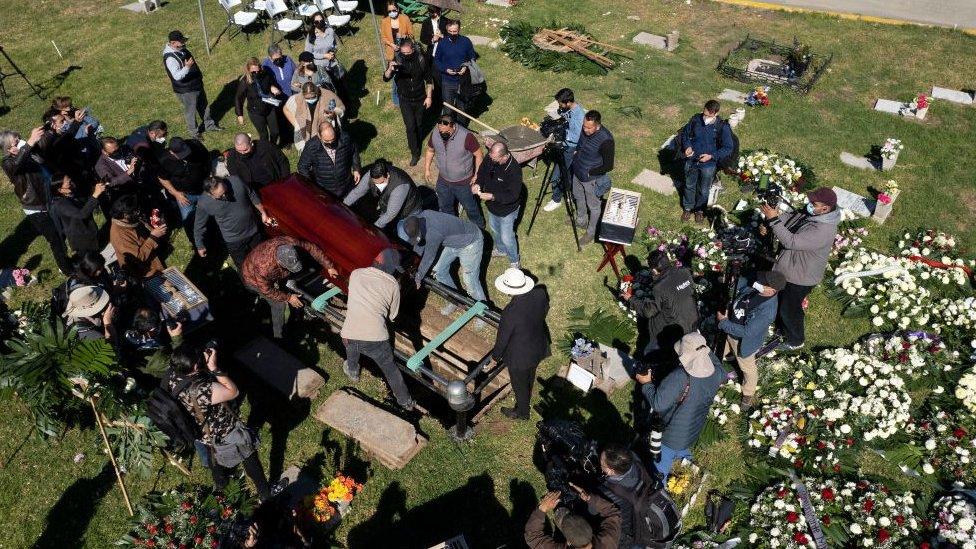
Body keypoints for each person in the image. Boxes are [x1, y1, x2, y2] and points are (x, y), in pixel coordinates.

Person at [165, 344, 273, 501]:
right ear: (195, 366)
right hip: (224, 431)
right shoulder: (200, 390)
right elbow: (233, 391)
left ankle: (222, 495)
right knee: (249, 455)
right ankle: (265, 494)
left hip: (201, 433)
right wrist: (214, 368)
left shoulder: (172, 375)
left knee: (214, 460)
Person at [759, 187, 841, 351]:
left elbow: (791, 242)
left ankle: (796, 340)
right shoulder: (814, 213)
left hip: (801, 278)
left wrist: (774, 221)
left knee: (789, 309)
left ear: (825, 208)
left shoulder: (823, 230)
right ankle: (782, 329)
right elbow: (791, 218)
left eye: (814, 203)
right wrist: (775, 218)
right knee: (784, 303)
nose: (809, 205)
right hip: (790, 269)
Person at [635, 332, 724, 480]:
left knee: (659, 469)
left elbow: (658, 404)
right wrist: (702, 348)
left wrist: (646, 383)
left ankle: (660, 492)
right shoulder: (717, 373)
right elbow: (717, 363)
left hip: (670, 435)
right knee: (683, 451)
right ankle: (697, 479)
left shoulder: (680, 377)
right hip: (694, 429)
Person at [341, 248, 416, 410]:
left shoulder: (356, 273)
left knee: (351, 346)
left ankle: (353, 371)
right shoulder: (393, 284)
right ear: (390, 268)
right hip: (376, 339)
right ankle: (405, 401)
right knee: (390, 369)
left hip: (349, 334)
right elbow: (393, 315)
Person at [0, 128, 72, 273]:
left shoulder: (29, 154)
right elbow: (15, 168)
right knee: (55, 238)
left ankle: (66, 260)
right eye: (16, 141)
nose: (21, 142)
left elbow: (44, 157)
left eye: (20, 138)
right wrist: (29, 143)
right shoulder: (8, 162)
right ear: (9, 148)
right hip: (35, 207)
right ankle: (65, 269)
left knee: (62, 231)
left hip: (49, 198)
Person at [241, 236, 338, 339]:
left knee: (288, 288)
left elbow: (311, 248)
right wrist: (288, 298)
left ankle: (296, 317)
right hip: (253, 280)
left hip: (275, 272)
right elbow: (266, 290)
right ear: (280, 263)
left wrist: (329, 266)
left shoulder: (290, 243)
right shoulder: (263, 268)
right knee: (279, 305)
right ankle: (279, 336)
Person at [717, 271, 784, 409]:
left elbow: (747, 332)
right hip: (729, 332)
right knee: (714, 354)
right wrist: (732, 278)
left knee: (748, 369)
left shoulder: (767, 312)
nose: (757, 283)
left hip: (741, 342)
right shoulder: (757, 289)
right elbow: (744, 283)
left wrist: (723, 323)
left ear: (771, 290)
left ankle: (748, 393)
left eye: (762, 283)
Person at [398, 211, 487, 312]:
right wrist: (414, 263)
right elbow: (419, 246)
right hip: (453, 241)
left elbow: (429, 257)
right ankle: (455, 301)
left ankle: (482, 311)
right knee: (438, 271)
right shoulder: (420, 218)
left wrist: (418, 277)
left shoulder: (434, 233)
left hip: (471, 241)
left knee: (470, 281)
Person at [491, 268, 549, 420]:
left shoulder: (510, 312)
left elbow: (502, 339)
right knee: (530, 374)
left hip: (519, 356)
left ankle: (523, 412)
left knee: (519, 385)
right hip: (537, 345)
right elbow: (544, 310)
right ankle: (527, 394)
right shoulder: (540, 292)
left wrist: (495, 356)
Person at [624, 250, 698, 357]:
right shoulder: (685, 272)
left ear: (654, 269)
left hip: (673, 332)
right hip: (692, 322)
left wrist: (631, 299)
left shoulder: (659, 288)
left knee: (649, 352)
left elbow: (649, 311)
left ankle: (654, 358)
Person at [194, 176, 270, 270]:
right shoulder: (204, 203)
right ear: (210, 195)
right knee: (245, 269)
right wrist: (200, 245)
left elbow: (251, 194)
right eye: (220, 196)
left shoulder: (236, 181)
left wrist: (263, 213)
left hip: (253, 230)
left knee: (265, 259)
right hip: (234, 240)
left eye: (225, 191)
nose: (225, 196)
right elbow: (199, 225)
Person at [424, 114, 484, 228]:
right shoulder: (436, 133)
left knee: (470, 207)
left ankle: (479, 227)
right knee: (445, 206)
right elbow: (430, 151)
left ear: (453, 126)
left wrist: (477, 175)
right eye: (440, 130)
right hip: (443, 180)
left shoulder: (466, 136)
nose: (442, 134)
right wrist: (427, 169)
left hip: (463, 182)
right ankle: (452, 227)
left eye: (445, 132)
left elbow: (479, 155)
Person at [679, 100, 732, 224]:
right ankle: (687, 208)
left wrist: (711, 156)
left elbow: (728, 148)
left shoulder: (722, 127)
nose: (706, 115)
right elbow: (685, 135)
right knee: (689, 185)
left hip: (708, 165)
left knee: (704, 189)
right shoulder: (695, 120)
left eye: (709, 113)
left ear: (715, 113)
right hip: (692, 160)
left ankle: (699, 210)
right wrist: (687, 146)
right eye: (705, 111)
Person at [383, 38, 433, 166]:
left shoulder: (421, 59)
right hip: (405, 99)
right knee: (410, 126)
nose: (405, 55)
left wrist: (429, 97)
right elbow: (386, 78)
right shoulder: (398, 59)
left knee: (419, 124)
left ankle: (418, 139)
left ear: (413, 49)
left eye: (408, 53)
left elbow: (429, 80)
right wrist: (390, 69)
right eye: (403, 53)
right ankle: (415, 152)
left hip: (420, 98)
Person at [474, 142, 523, 267]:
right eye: (491, 156)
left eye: (494, 158)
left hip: (507, 209)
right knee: (495, 230)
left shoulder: (514, 170)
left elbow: (513, 195)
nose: (491, 160)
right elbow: (482, 171)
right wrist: (478, 183)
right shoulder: (490, 158)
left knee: (507, 237)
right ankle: (501, 250)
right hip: (492, 207)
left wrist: (493, 196)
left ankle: (514, 260)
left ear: (505, 156)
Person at [163, 30, 220, 139]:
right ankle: (194, 133)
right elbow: (177, 76)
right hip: (186, 90)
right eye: (180, 42)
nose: (183, 43)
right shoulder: (170, 58)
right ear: (173, 43)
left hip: (196, 84)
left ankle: (209, 125)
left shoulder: (180, 49)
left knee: (204, 106)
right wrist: (188, 67)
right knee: (191, 111)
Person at [571, 110, 615, 246]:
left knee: (594, 207)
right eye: (584, 126)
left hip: (591, 178)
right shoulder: (585, 130)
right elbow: (581, 142)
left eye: (589, 127)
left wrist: (591, 172)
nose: (585, 129)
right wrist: (576, 151)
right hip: (578, 171)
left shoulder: (606, 140)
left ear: (597, 125)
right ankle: (581, 220)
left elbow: (608, 165)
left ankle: (590, 233)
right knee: (578, 196)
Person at [525, 489, 622, 549]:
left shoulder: (609, 540)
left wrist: (542, 509)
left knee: (561, 513)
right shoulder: (608, 542)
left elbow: (533, 537)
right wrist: (589, 498)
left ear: (568, 541)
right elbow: (613, 513)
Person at [343, 158, 422, 229]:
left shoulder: (399, 187)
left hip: (409, 212)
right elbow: (357, 192)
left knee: (402, 234)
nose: (378, 186)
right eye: (375, 183)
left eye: (381, 182)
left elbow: (390, 215)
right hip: (389, 204)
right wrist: (343, 206)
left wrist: (373, 229)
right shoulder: (372, 175)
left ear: (387, 175)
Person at [158, 136, 209, 244]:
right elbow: (162, 179)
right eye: (181, 155)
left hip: (203, 188)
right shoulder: (165, 160)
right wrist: (176, 194)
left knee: (211, 212)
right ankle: (196, 242)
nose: (186, 156)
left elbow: (206, 159)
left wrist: (209, 179)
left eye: (186, 152)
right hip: (185, 196)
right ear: (171, 152)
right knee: (188, 220)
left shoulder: (195, 146)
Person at [543, 88, 586, 213]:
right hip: (566, 145)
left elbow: (576, 136)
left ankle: (556, 200)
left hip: (569, 148)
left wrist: (559, 134)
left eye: (561, 103)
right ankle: (569, 189)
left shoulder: (579, 116)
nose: (559, 105)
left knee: (557, 175)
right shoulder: (570, 109)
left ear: (568, 102)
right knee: (567, 172)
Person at [297, 121, 361, 198]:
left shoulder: (344, 138)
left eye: (333, 140)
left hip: (346, 185)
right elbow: (302, 166)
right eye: (326, 141)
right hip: (326, 190)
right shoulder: (311, 147)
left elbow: (354, 150)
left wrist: (356, 168)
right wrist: (311, 186)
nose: (330, 143)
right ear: (319, 136)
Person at [109, 194, 168, 279]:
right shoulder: (119, 236)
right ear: (125, 214)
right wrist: (153, 237)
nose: (138, 212)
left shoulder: (129, 220)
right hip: (146, 274)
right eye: (136, 211)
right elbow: (138, 257)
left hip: (154, 263)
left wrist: (154, 227)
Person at [50, 174, 105, 254]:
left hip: (91, 234)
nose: (72, 184)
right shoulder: (60, 204)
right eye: (68, 183)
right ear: (60, 190)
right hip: (82, 242)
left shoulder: (73, 193)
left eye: (71, 180)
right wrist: (95, 194)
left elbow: (87, 205)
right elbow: (81, 214)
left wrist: (95, 192)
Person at [283, 82, 345, 153]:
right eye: (307, 98)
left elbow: (340, 109)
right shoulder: (298, 98)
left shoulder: (328, 96)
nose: (310, 100)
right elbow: (286, 108)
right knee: (309, 153)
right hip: (306, 128)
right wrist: (296, 124)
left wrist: (333, 113)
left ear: (317, 92)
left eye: (313, 97)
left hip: (324, 128)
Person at [235, 58, 284, 145]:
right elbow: (239, 98)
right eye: (253, 72)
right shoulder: (245, 81)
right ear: (248, 70)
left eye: (258, 71)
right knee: (264, 135)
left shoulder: (265, 75)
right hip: (255, 111)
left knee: (275, 132)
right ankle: (266, 151)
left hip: (268, 107)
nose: (256, 73)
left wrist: (272, 87)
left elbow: (271, 83)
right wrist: (240, 115)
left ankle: (272, 147)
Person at [434, 19, 476, 113]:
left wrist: (466, 66)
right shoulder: (442, 43)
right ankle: (449, 126)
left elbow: (472, 57)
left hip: (463, 81)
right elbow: (437, 60)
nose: (452, 33)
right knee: (448, 109)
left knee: (462, 109)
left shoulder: (465, 41)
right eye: (450, 31)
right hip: (447, 81)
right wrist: (445, 69)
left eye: (455, 31)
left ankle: (461, 126)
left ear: (459, 29)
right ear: (446, 30)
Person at [226, 133, 290, 190]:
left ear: (251, 143)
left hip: (274, 183)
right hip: (254, 191)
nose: (242, 153)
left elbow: (282, 161)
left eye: (245, 150)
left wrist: (284, 180)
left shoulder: (266, 146)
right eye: (239, 150)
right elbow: (235, 177)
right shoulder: (232, 157)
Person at [380, 1, 414, 106]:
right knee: (394, 76)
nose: (392, 12)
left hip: (404, 51)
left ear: (398, 9)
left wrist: (404, 36)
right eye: (389, 11)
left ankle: (409, 94)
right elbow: (383, 37)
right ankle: (396, 100)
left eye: (393, 10)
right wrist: (391, 44)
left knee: (406, 72)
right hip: (392, 52)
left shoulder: (405, 18)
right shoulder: (385, 21)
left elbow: (412, 34)